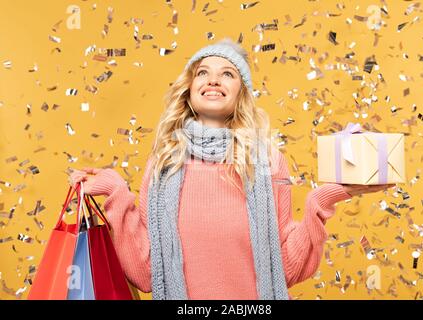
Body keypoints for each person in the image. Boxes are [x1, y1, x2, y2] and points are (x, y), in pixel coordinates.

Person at [69, 38, 393, 300]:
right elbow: (145, 273)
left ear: (241, 92)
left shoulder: (266, 162)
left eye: (227, 73)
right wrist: (116, 192)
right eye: (202, 72)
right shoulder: (164, 164)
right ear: (189, 90)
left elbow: (286, 271)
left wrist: (320, 201)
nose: (213, 79)